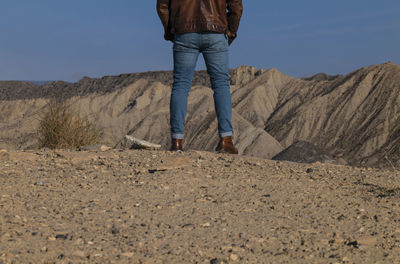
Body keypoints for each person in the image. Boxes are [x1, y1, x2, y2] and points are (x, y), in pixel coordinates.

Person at [157, 0, 243, 154]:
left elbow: (162, 6)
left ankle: (177, 142)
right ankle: (226, 140)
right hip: (216, 31)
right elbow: (236, 5)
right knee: (221, 85)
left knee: (181, 85)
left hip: (184, 31)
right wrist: (231, 31)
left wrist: (171, 30)